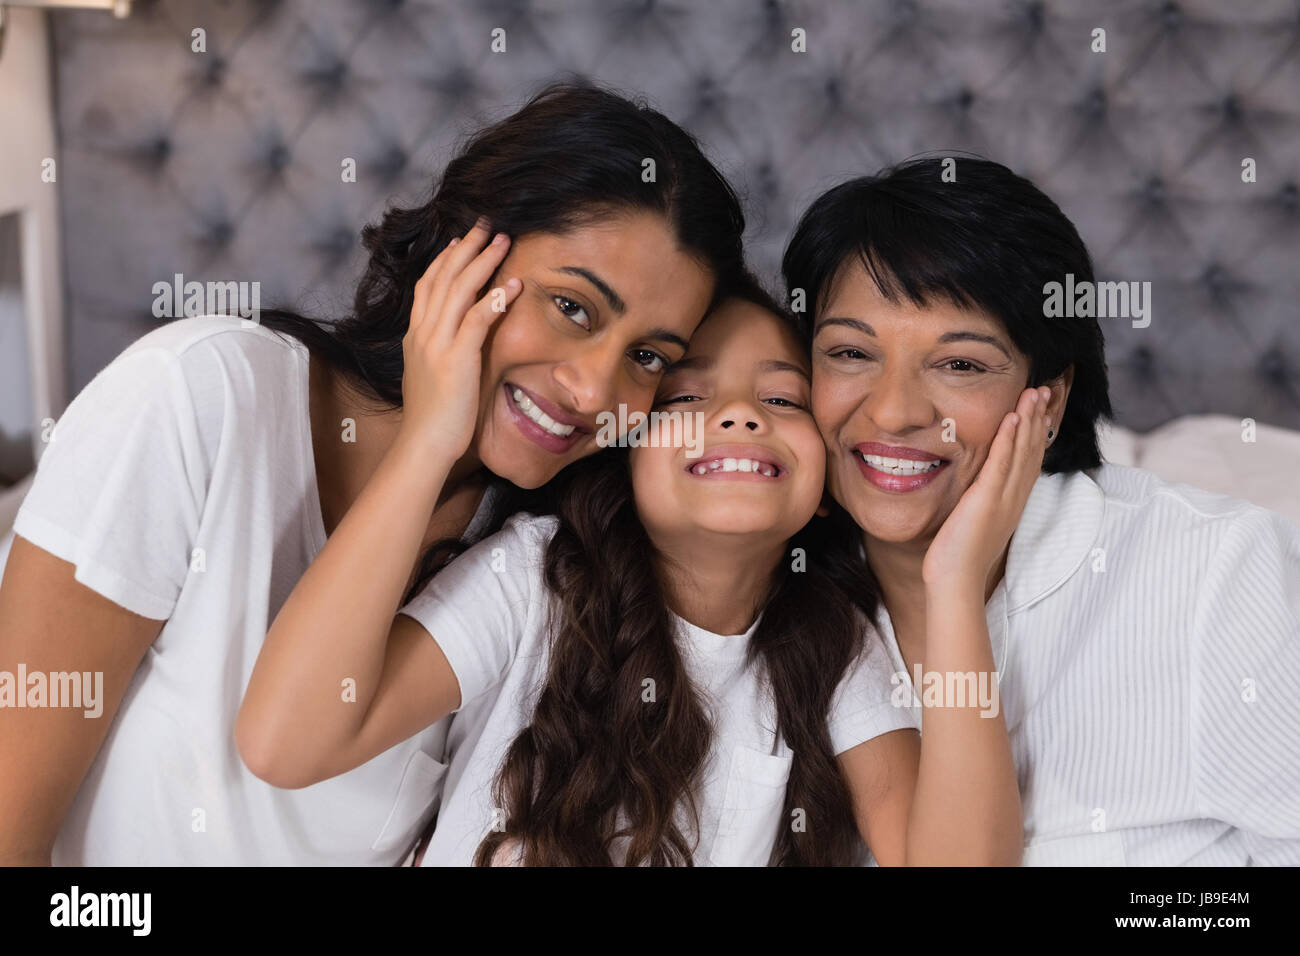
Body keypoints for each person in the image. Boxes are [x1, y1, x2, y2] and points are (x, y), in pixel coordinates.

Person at [0, 83, 747, 865]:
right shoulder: (198, 398)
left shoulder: (540, 564)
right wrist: (427, 441)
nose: (596, 390)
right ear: (465, 251)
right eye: (573, 307)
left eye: (648, 357)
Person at [237, 279, 1049, 865]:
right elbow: (289, 742)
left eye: (785, 399)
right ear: (624, 458)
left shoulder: (837, 647)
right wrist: (427, 442)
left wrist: (955, 587)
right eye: (685, 402)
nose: (738, 416)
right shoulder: (534, 584)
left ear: (829, 488)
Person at [783, 156, 1300, 865]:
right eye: (849, 352)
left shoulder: (1217, 572)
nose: (894, 411)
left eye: (960, 364)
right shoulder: (781, 597)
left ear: (1047, 399)